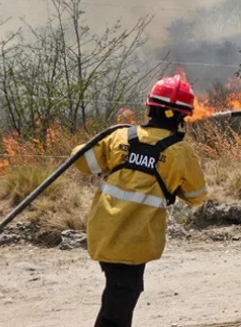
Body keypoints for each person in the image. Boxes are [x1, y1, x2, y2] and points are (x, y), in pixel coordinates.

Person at [71, 74, 207, 327]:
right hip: (134, 241)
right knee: (118, 307)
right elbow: (196, 196)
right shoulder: (179, 152)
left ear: (150, 106)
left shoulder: (120, 137)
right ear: (182, 116)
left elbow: (82, 161)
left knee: (117, 295)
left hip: (103, 233)